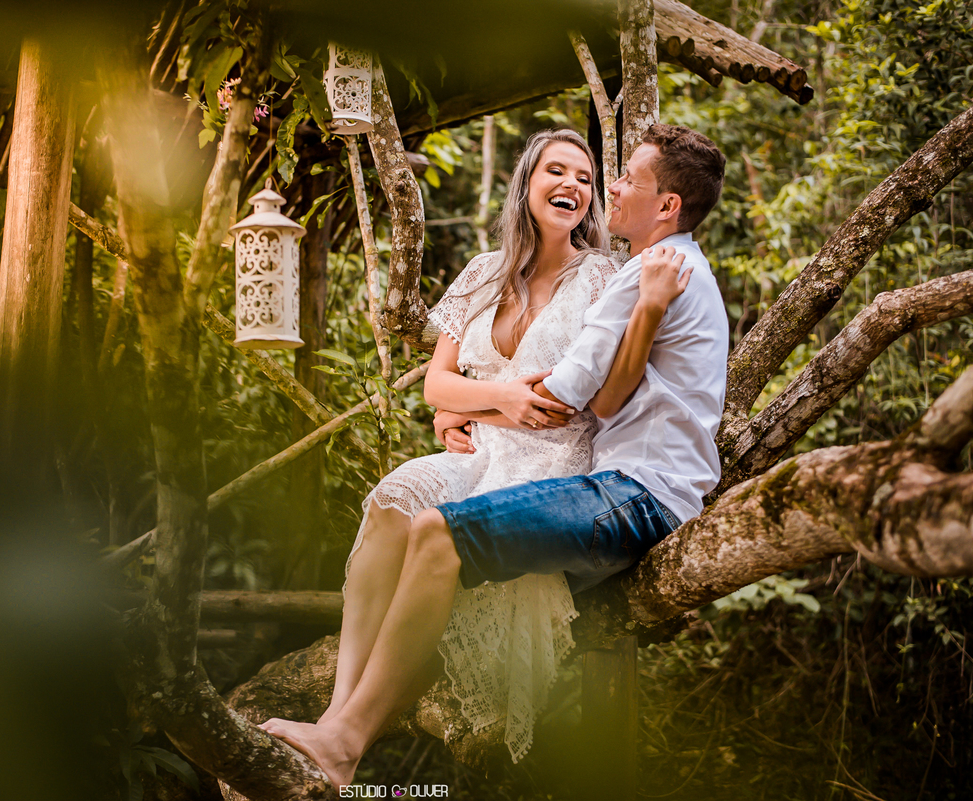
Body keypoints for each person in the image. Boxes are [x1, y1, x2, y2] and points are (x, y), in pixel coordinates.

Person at [261, 124, 725, 788]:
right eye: (561, 171)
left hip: (620, 484)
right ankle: (338, 722)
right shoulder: (638, 270)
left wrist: (468, 406)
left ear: (668, 204)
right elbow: (604, 397)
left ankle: (344, 740)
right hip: (611, 478)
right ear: (525, 181)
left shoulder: (626, 274)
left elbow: (574, 399)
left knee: (439, 534)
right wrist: (474, 405)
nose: (605, 187)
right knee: (393, 500)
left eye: (611, 178)